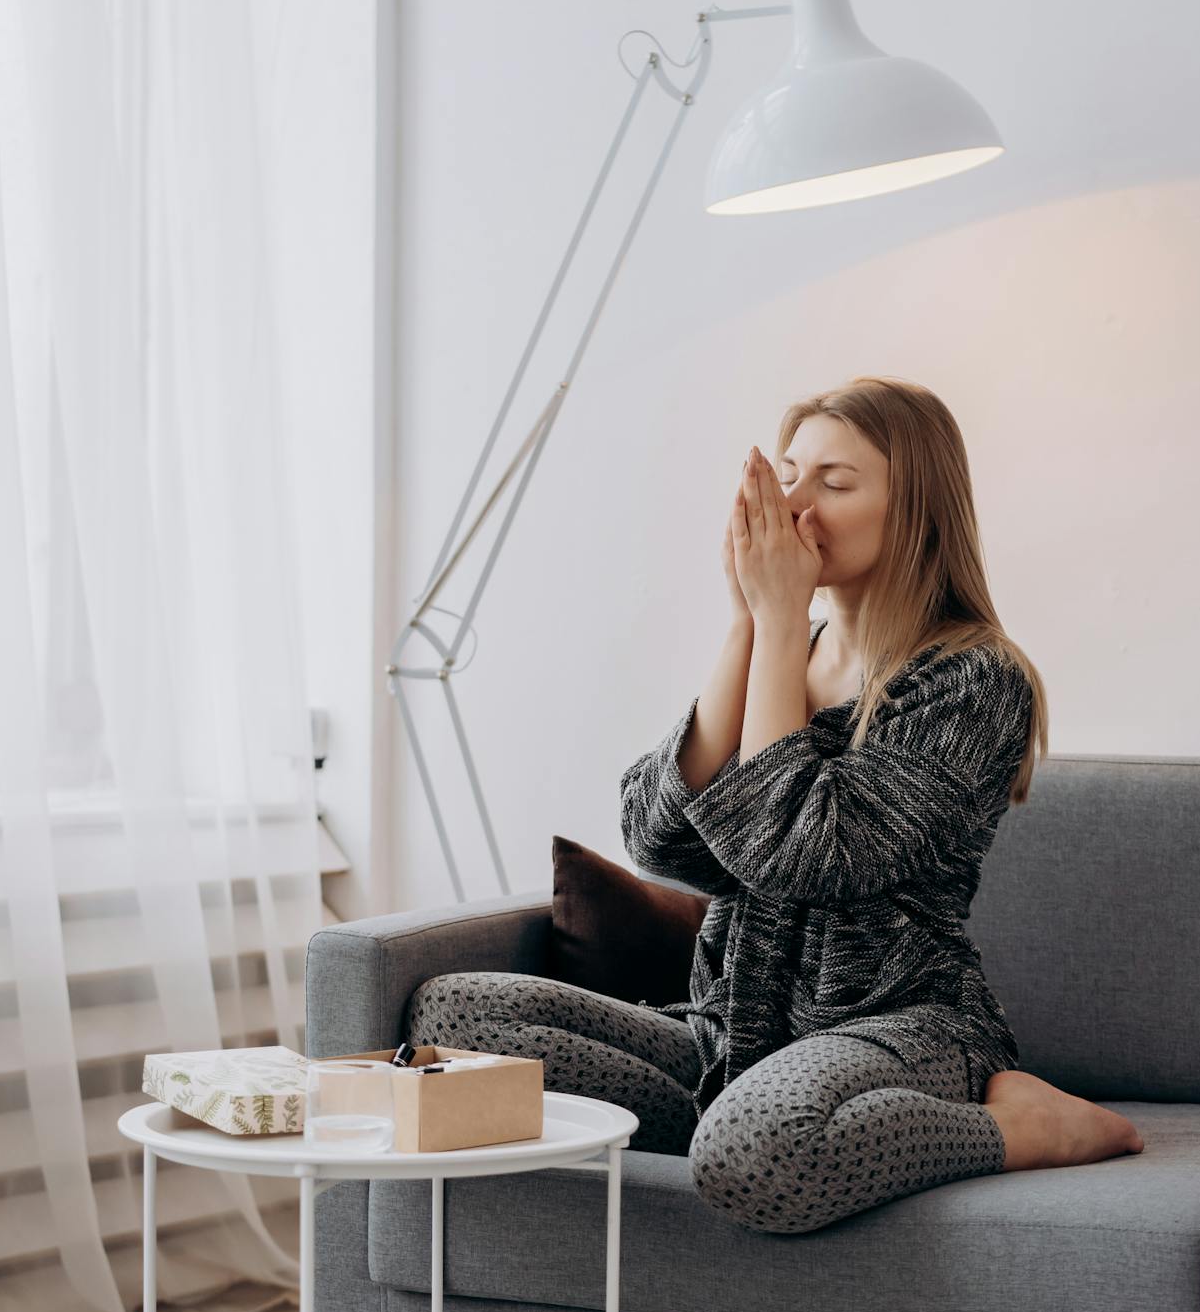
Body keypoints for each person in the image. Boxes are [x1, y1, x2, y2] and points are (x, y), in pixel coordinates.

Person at [408, 375, 1142, 1234]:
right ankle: (735, 1119)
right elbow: (663, 844)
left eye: (833, 483)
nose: (794, 504)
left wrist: (780, 621)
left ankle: (1015, 1129)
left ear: (915, 513)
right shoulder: (788, 645)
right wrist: (749, 626)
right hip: (734, 1034)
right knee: (454, 1013)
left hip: (896, 1029)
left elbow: (800, 857)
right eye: (788, 474)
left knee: (760, 1152)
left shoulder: (972, 679)